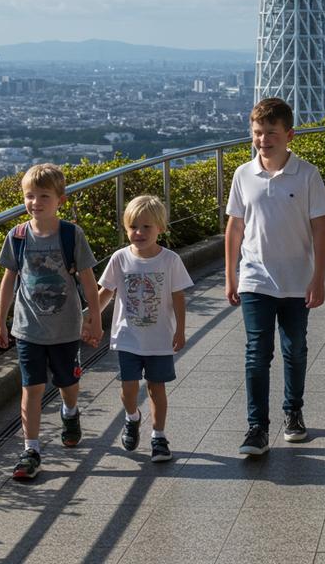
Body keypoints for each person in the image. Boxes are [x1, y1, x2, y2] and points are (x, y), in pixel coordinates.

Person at [225, 97, 325, 455]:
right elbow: (235, 228)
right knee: (257, 352)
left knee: (294, 349)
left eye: (271, 133)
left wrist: (318, 278)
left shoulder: (307, 175)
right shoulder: (243, 175)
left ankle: (293, 411)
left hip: (297, 279)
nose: (263, 140)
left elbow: (320, 229)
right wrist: (230, 275)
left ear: (289, 135)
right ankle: (256, 426)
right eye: (257, 133)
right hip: (255, 277)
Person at [0, 163, 102, 480]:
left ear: (60, 200)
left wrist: (94, 320)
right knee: (32, 386)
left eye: (44, 195)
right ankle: (31, 449)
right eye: (30, 196)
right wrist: (1, 322)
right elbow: (8, 279)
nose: (35, 202)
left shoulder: (71, 234)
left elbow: (87, 279)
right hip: (28, 327)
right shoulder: (17, 236)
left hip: (65, 327)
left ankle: (70, 412)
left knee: (68, 382)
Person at [95, 195, 192, 463]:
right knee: (128, 388)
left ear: (160, 228)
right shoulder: (120, 258)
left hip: (159, 337)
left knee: (156, 387)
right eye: (133, 226)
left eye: (146, 227)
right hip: (128, 337)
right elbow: (106, 292)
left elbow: (178, 297)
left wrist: (180, 329)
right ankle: (132, 417)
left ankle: (158, 437)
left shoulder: (170, 260)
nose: (139, 233)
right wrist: (91, 318)